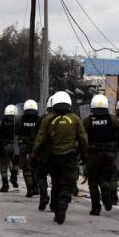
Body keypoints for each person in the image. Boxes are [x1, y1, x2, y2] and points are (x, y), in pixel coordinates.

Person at [33, 91, 88, 224]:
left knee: (56, 183)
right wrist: (84, 154)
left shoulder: (48, 119)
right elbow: (83, 139)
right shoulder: (75, 119)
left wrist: (35, 154)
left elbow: (40, 139)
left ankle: (57, 208)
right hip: (69, 157)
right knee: (68, 183)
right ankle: (63, 201)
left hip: (53, 157)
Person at [82, 95, 119, 216]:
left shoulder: (87, 120)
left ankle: (96, 208)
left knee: (92, 182)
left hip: (93, 154)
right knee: (105, 177)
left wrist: (82, 152)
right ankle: (106, 189)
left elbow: (81, 136)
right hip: (109, 154)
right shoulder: (112, 119)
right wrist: (118, 143)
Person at [33, 97, 55, 210]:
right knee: (57, 178)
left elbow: (38, 137)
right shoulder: (69, 118)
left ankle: (44, 197)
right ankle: (55, 203)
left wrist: (34, 152)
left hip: (44, 154)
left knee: (41, 176)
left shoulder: (43, 119)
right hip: (60, 154)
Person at [0, 105, 20, 193]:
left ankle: (5, 185)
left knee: (3, 166)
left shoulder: (2, 123)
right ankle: (14, 176)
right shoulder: (19, 123)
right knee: (16, 162)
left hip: (5, 147)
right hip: (16, 146)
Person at [18, 99, 40, 197]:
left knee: (26, 168)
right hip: (36, 146)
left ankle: (30, 187)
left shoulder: (20, 120)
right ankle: (35, 187)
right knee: (35, 167)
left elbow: (17, 132)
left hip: (24, 147)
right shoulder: (39, 120)